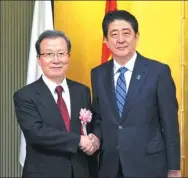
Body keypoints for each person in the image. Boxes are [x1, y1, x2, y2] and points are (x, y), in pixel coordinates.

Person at [90, 10, 181, 177]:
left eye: (126, 33)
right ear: (105, 41)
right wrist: (95, 137)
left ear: (137, 37)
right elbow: (98, 116)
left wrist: (174, 168)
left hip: (149, 165)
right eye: (114, 34)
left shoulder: (158, 71)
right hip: (110, 166)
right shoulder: (98, 74)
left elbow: (169, 122)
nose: (121, 40)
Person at [13, 30, 98, 178]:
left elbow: (90, 125)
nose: (56, 60)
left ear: (68, 57)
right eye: (49, 54)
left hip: (80, 171)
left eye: (61, 53)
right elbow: (37, 133)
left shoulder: (82, 91)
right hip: (44, 173)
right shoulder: (25, 95)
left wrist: (95, 138)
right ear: (39, 59)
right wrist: (78, 140)